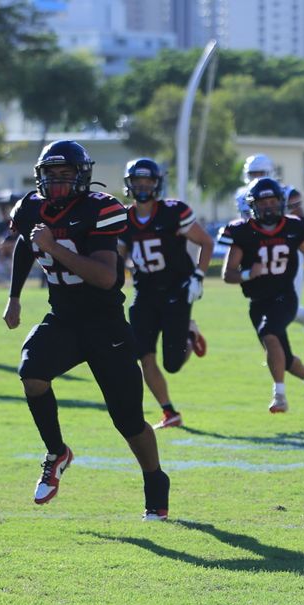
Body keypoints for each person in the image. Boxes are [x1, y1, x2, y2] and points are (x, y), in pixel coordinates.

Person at [2, 140, 172, 520]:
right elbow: (25, 244)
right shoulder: (30, 206)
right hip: (62, 317)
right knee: (32, 373)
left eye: (66, 175)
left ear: (82, 176)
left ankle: (155, 487)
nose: (58, 182)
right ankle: (56, 452)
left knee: (128, 420)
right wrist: (14, 297)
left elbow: (105, 276)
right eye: (51, 174)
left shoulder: (101, 208)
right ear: (39, 176)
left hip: (105, 323)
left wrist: (53, 246)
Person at [116, 158, 215, 430]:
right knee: (143, 355)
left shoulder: (173, 212)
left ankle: (190, 334)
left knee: (172, 364)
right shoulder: (124, 218)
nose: (143, 186)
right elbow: (117, 257)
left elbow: (206, 242)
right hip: (144, 293)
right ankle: (169, 411)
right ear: (130, 184)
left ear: (157, 183)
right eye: (138, 181)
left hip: (176, 290)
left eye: (148, 181)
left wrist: (198, 276)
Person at [220, 176, 304, 413]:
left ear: (281, 202)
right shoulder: (242, 232)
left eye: (272, 201)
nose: (268, 207)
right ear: (253, 206)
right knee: (284, 358)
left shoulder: (293, 227)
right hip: (258, 301)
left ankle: (279, 396)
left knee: (269, 334)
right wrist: (249, 274)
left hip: (285, 297)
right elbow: (228, 274)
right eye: (263, 203)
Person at [234, 154, 304, 355]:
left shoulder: (287, 193)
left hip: (286, 254)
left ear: (271, 173)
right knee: (266, 305)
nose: (256, 177)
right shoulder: (242, 194)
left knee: (287, 307)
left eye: (260, 173)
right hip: (258, 255)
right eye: (252, 173)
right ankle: (280, 352)